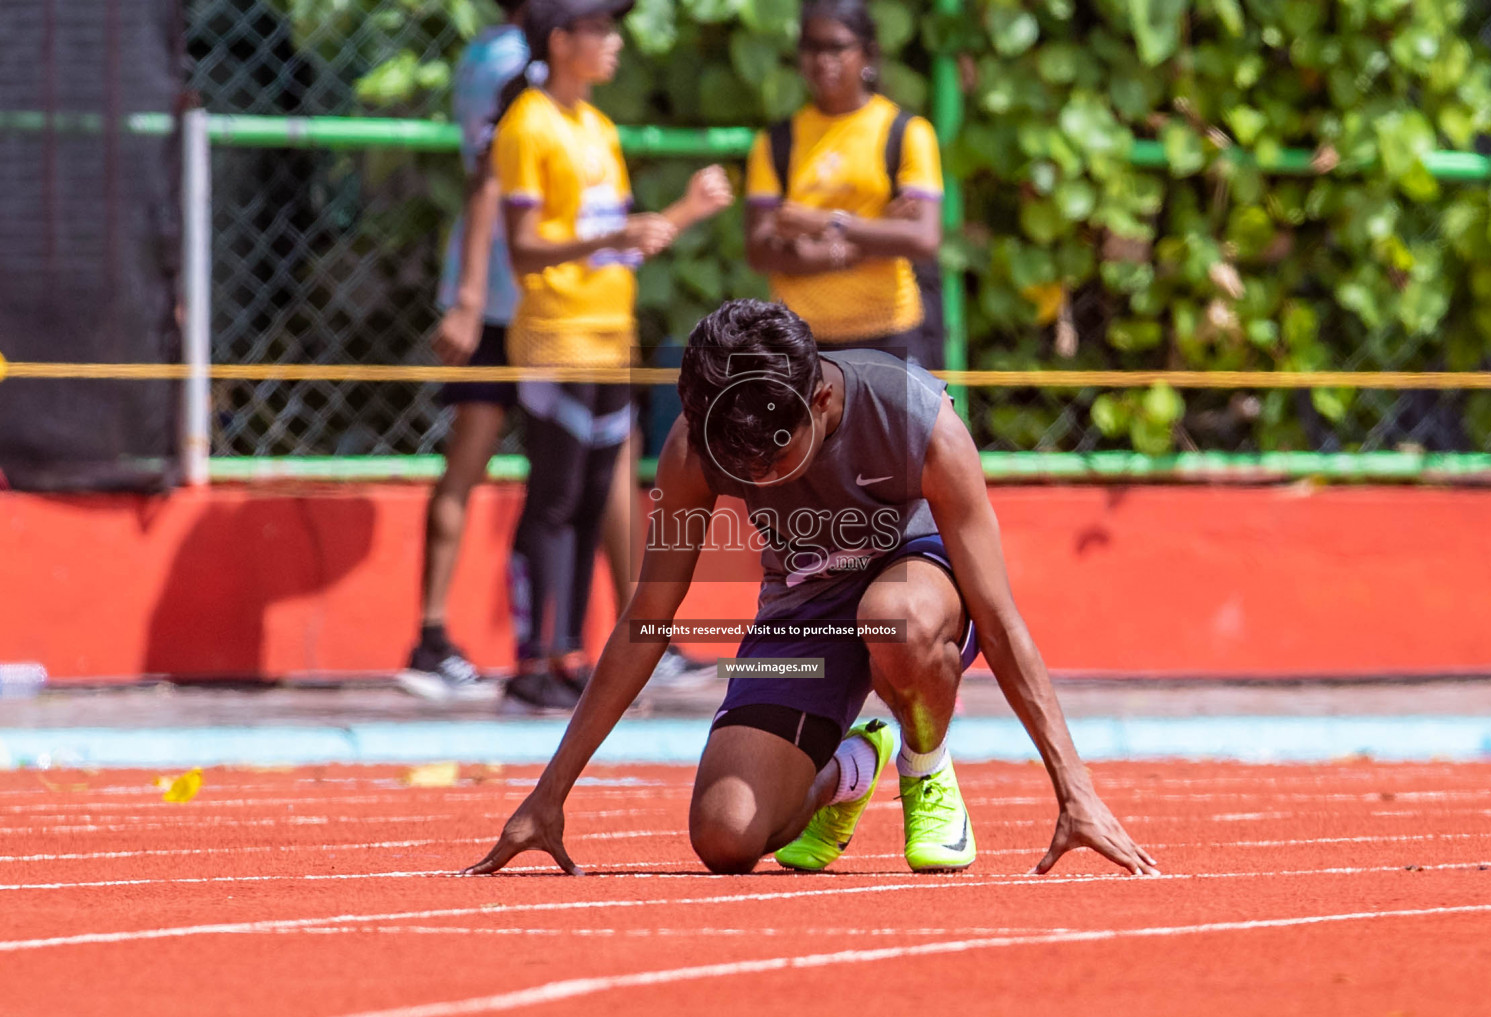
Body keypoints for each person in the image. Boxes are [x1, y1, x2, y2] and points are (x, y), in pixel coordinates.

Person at [466, 298, 1157, 878]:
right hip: (805, 604)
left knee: (896, 618)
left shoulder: (920, 423)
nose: (761, 480)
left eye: (775, 456)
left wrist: (1077, 792)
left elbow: (1000, 619)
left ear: (820, 399)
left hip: (915, 580)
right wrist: (548, 793)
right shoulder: (696, 448)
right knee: (725, 836)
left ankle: (925, 762)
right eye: (741, 465)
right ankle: (855, 765)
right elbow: (647, 618)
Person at [493, 0, 733, 710]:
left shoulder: (597, 128)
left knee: (597, 495)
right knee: (556, 498)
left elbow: (624, 236)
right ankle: (536, 659)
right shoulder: (527, 126)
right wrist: (605, 242)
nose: (614, 43)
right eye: (600, 30)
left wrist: (687, 209)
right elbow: (526, 247)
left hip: (608, 336)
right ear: (561, 42)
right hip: (554, 338)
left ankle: (571, 654)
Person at [400, 0, 530, 701]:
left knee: (588, 463)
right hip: (520, 293)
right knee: (592, 464)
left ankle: (431, 633)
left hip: (509, 291)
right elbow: (492, 178)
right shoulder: (524, 66)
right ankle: (643, 639)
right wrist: (474, 298)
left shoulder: (482, 53)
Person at [745, 0, 945, 370]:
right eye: (811, 47)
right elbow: (760, 251)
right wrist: (871, 241)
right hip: (801, 339)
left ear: (868, 53)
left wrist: (822, 225)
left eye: (837, 47)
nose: (823, 60)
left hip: (890, 334)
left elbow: (924, 239)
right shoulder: (775, 142)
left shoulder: (905, 134)